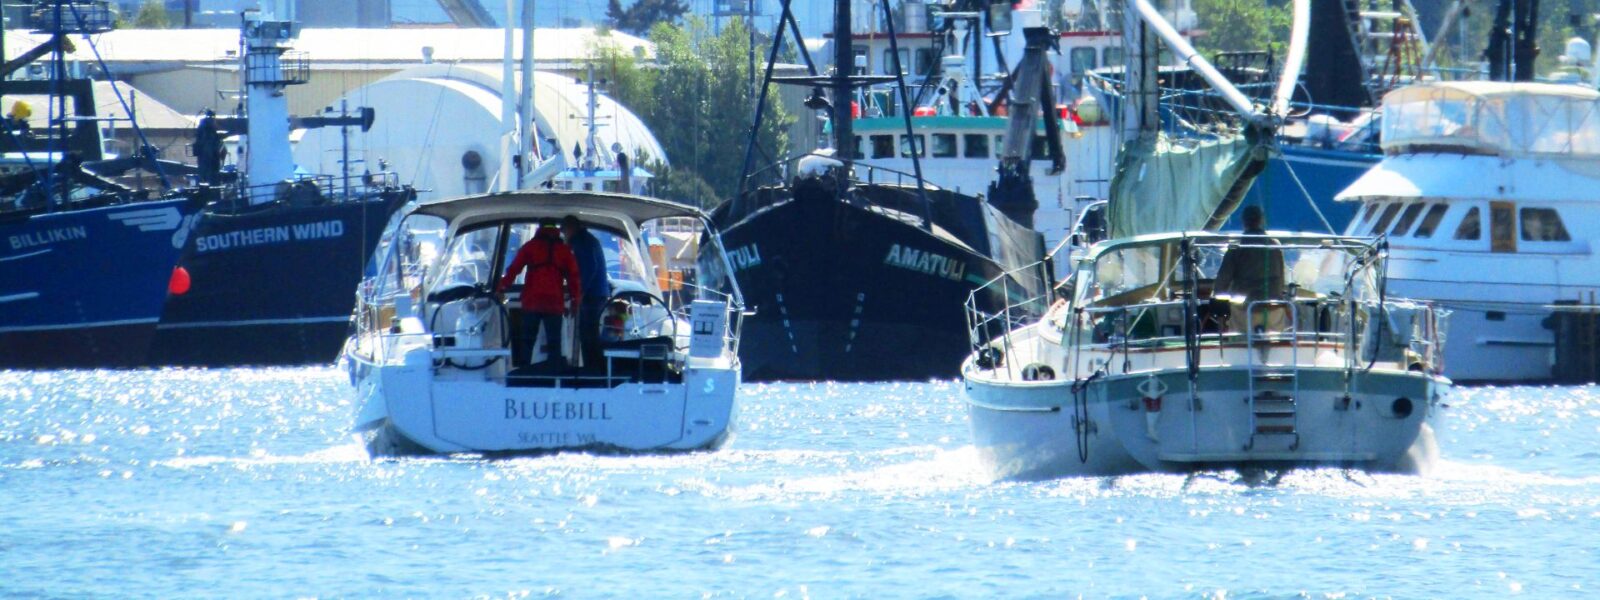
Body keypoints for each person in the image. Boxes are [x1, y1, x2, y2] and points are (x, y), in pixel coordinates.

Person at [497, 219, 582, 367]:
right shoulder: (564, 251)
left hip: (532, 302)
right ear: (555, 229)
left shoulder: (530, 247)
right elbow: (574, 278)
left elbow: (513, 270)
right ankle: (554, 376)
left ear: (539, 228)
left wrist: (501, 288)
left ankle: (523, 373)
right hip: (554, 303)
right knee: (554, 343)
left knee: (528, 342)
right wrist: (575, 301)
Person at [1213, 206, 1286, 332]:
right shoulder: (1275, 246)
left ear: (1243, 221)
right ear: (1261, 220)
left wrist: (1216, 300)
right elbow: (1281, 278)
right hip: (1273, 308)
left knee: (1239, 337)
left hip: (1245, 310)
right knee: (1275, 338)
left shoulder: (1236, 248)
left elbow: (1223, 280)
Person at [562, 215, 612, 367]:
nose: (564, 234)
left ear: (571, 228)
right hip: (597, 293)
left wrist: (580, 293)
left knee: (588, 335)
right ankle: (593, 369)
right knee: (590, 333)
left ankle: (592, 370)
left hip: (592, 296)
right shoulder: (587, 240)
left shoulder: (582, 242)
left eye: (564, 231)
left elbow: (589, 269)